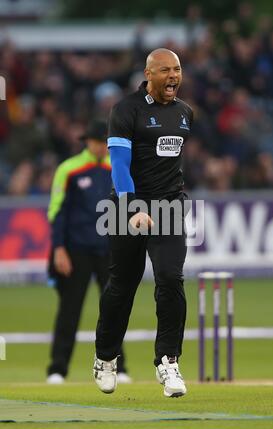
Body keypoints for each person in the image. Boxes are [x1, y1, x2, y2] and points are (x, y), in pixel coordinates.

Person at [94, 49, 193, 397]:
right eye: (165, 70)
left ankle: (168, 362)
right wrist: (133, 206)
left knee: (170, 278)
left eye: (177, 69)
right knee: (123, 285)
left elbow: (171, 164)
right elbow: (119, 165)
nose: (173, 76)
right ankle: (105, 358)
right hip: (126, 207)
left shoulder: (185, 113)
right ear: (148, 74)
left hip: (169, 209)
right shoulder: (126, 110)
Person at [47, 120, 131, 385]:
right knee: (69, 311)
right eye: (97, 142)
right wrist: (59, 249)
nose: (101, 147)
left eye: (104, 142)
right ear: (87, 141)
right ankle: (57, 369)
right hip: (77, 251)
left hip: (109, 250)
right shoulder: (69, 169)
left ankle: (120, 367)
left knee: (114, 310)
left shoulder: (116, 168)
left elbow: (127, 208)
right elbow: (57, 212)